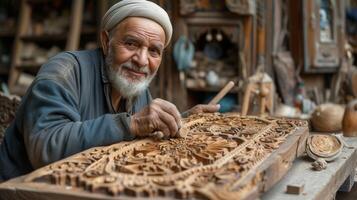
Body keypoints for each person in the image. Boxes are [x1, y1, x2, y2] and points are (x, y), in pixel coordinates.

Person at [0, 0, 220, 181]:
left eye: (154, 51)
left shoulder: (136, 86)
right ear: (106, 41)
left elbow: (144, 135)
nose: (142, 61)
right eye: (131, 44)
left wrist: (181, 120)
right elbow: (45, 148)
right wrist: (133, 123)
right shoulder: (65, 70)